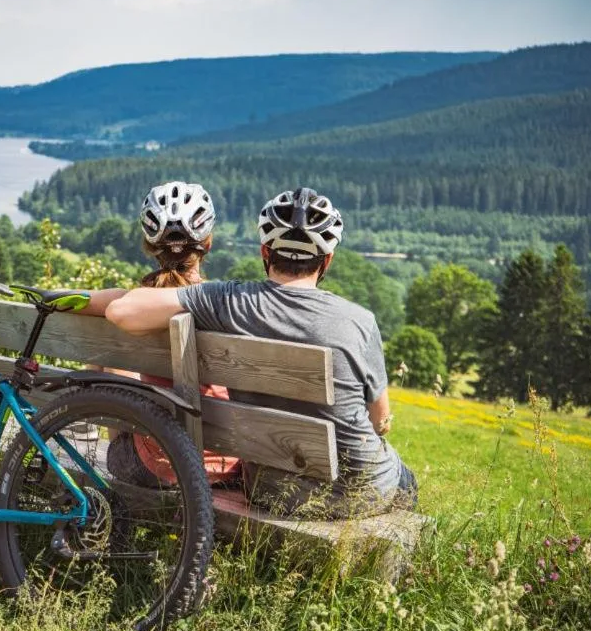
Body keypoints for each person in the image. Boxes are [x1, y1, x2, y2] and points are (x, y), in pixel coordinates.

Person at [95, 187, 417, 518]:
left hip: (268, 489)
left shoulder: (229, 302)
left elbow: (123, 311)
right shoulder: (361, 321)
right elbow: (380, 422)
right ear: (328, 259)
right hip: (364, 490)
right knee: (407, 481)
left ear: (265, 251)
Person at [80, 181, 240, 486]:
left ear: (150, 246)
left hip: (155, 467)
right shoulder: (225, 305)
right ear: (208, 243)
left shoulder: (133, 303)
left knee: (112, 352)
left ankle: (83, 427)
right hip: (226, 466)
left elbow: (78, 301)